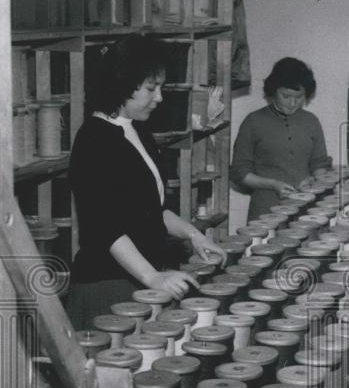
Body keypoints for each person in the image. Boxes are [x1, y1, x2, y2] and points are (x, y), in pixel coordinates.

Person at [67, 34, 226, 329]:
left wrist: (195, 236)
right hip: (107, 286)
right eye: (151, 89)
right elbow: (104, 226)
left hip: (141, 277)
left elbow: (154, 209)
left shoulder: (138, 131)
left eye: (161, 88)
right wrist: (152, 277)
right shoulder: (93, 139)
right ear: (121, 84)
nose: (160, 98)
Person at [230, 57, 331, 220]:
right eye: (286, 96)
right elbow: (239, 172)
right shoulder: (253, 121)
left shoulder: (311, 121)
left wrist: (314, 180)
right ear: (273, 91)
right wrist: (273, 184)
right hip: (265, 211)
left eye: (299, 97)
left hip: (305, 212)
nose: (292, 103)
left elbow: (319, 163)